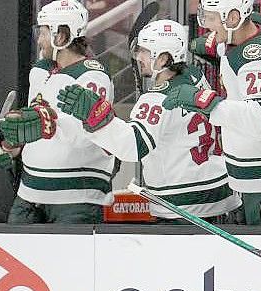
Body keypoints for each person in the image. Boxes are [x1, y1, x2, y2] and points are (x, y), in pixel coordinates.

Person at [55, 20, 242, 223]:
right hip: (221, 192)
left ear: (162, 59)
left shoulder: (156, 99)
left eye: (144, 51)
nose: (138, 57)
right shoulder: (195, 76)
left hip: (183, 206)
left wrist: (98, 118)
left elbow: (133, 146)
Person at [0, 0, 113, 224]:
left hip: (75, 199)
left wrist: (42, 123)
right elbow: (37, 119)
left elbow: (87, 133)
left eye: (43, 33)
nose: (39, 40)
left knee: (71, 259)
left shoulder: (92, 77)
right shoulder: (41, 71)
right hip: (29, 193)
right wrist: (13, 142)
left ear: (61, 36)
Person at [194, 0, 261, 225]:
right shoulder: (249, 30)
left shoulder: (258, 57)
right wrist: (208, 45)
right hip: (247, 169)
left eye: (211, 18)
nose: (206, 25)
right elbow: (231, 42)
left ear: (234, 18)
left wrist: (210, 104)